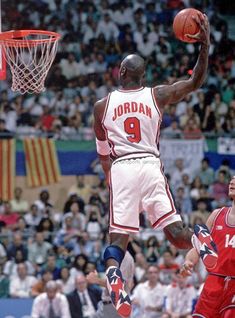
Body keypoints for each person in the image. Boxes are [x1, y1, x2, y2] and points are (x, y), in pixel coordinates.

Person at [93, 12, 217, 318]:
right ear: (143, 76)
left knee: (117, 240)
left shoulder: (101, 106)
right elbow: (195, 81)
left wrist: (110, 175)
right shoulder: (156, 95)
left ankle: (114, 275)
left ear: (120, 72)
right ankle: (198, 235)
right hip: (149, 163)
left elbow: (103, 151)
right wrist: (204, 45)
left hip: (122, 166)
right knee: (175, 234)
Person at [180, 176, 235, 318]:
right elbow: (199, 246)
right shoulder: (217, 214)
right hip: (213, 282)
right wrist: (189, 262)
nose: (232, 182)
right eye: (232, 179)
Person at [86, 250, 135, 318]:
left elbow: (119, 285)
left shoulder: (124, 257)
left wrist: (97, 280)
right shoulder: (115, 254)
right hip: (107, 305)